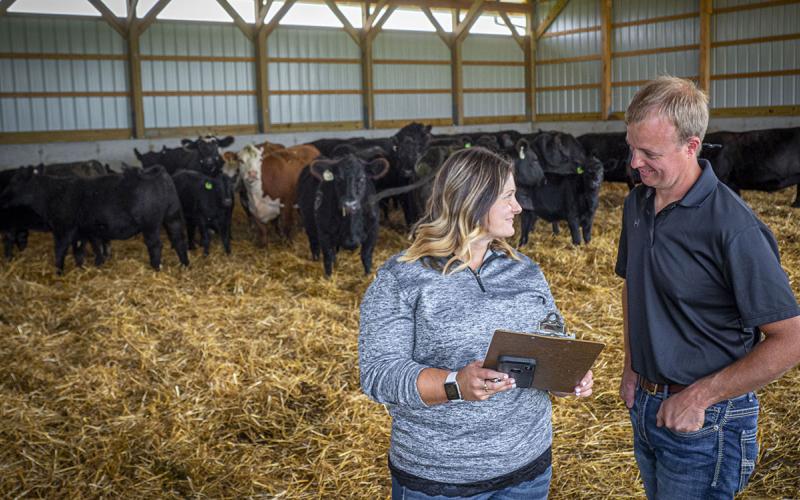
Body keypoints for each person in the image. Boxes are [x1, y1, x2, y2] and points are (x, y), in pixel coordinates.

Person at [358, 147, 594, 499]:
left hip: (526, 469)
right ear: (473, 200)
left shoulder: (524, 271)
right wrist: (454, 384)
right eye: (509, 196)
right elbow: (379, 374)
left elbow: (551, 341)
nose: (519, 207)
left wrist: (565, 377)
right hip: (440, 479)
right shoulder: (403, 277)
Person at [615, 75, 800, 499]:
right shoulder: (636, 204)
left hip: (707, 423)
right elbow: (633, 288)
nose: (633, 163)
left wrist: (699, 397)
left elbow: (790, 339)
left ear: (692, 146)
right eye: (631, 146)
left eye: (649, 153)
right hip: (646, 403)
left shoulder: (733, 227)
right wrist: (631, 366)